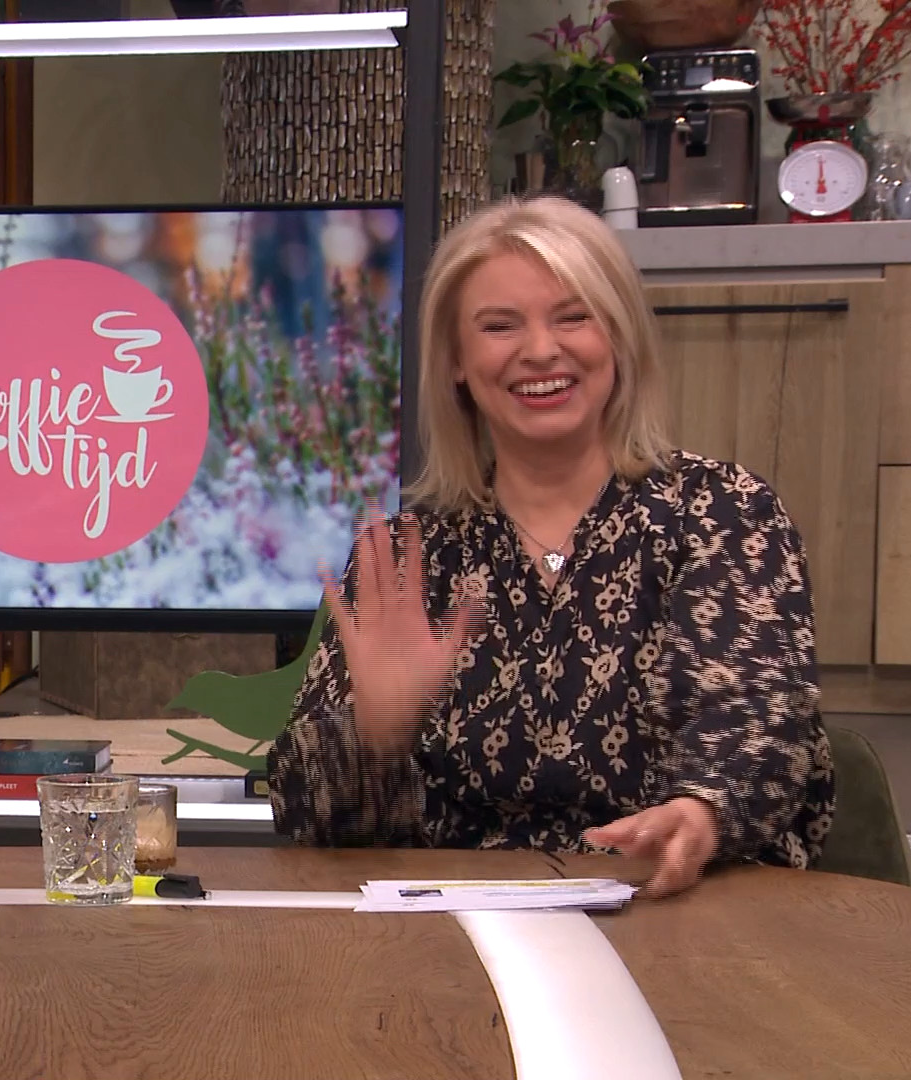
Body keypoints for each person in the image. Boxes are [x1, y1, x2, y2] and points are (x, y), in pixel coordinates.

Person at [267, 196, 834, 898]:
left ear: (620, 335)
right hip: (462, 926)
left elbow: (761, 720)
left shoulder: (720, 511)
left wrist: (699, 813)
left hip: (681, 906)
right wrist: (373, 733)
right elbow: (310, 823)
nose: (540, 350)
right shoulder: (411, 553)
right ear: (456, 360)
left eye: (573, 317)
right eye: (500, 326)